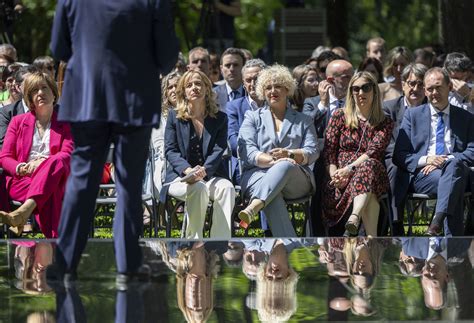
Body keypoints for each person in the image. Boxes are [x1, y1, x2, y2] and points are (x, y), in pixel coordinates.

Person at [48, 0, 179, 285]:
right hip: (135, 98)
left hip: (87, 95)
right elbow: (168, 56)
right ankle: (128, 266)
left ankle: (65, 263)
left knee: (82, 178)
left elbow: (59, 49)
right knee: (129, 183)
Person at [237, 64, 319, 237]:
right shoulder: (252, 117)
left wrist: (289, 155)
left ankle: (253, 206)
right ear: (262, 91)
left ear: (287, 88)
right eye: (268, 87)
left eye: (278, 86)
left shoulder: (304, 120)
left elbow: (312, 151)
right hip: (257, 175)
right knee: (272, 197)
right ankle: (289, 247)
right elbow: (247, 151)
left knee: (285, 167)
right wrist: (275, 161)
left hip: (295, 179)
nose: (273, 91)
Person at [393, 67, 474, 236]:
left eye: (438, 87)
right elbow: (399, 155)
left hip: (458, 171)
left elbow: (472, 150)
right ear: (425, 90)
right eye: (430, 89)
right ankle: (453, 244)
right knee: (454, 181)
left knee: (454, 167)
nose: (434, 92)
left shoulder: (465, 117)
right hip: (424, 175)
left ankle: (437, 220)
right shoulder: (413, 116)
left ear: (449, 87)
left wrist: (445, 160)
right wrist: (427, 160)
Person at [163, 70, 235, 239]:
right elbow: (170, 150)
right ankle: (194, 244)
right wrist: (189, 171)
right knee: (198, 187)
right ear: (184, 92)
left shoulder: (220, 119)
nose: (194, 88)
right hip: (179, 177)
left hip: (210, 175)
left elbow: (219, 149)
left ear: (207, 89)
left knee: (227, 188)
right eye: (189, 85)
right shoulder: (175, 117)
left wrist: (203, 171)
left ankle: (219, 244)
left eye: (198, 84)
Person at [0, 72, 73, 238]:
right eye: (34, 90)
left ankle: (23, 212)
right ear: (29, 98)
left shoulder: (66, 122)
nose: (40, 93)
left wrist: (42, 163)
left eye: (44, 88)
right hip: (22, 181)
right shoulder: (17, 122)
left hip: (57, 178)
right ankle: (55, 246)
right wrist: (20, 167)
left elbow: (67, 154)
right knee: (50, 189)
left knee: (57, 161)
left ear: (54, 93)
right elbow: (4, 157)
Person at [322, 71, 393, 236]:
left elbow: (373, 151)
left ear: (374, 91)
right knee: (370, 193)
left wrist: (349, 169)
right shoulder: (339, 116)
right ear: (351, 92)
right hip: (340, 178)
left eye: (366, 88)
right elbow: (329, 151)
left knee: (369, 166)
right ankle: (371, 239)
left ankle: (355, 216)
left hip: (369, 170)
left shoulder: (385, 122)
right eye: (356, 89)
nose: (361, 93)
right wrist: (335, 175)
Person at [383, 63, 427, 234]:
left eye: (420, 84)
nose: (415, 88)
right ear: (403, 85)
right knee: (396, 165)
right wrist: (409, 159)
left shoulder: (433, 109)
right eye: (411, 83)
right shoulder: (389, 108)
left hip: (426, 164)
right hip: (396, 162)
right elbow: (387, 144)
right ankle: (396, 223)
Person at [227, 58, 266, 184]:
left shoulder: (277, 105)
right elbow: (234, 144)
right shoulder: (233, 107)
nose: (253, 83)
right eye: (248, 80)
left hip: (273, 165)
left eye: (257, 79)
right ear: (243, 83)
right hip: (244, 167)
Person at [149, 71, 182, 198]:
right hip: (166, 160)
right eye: (170, 87)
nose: (174, 90)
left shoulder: (192, 112)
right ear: (165, 92)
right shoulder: (159, 116)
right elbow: (159, 146)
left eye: (177, 86)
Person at [213, 47, 246, 111]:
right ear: (221, 69)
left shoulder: (252, 94)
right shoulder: (212, 95)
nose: (231, 69)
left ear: (244, 67)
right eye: (228, 65)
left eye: (236, 65)